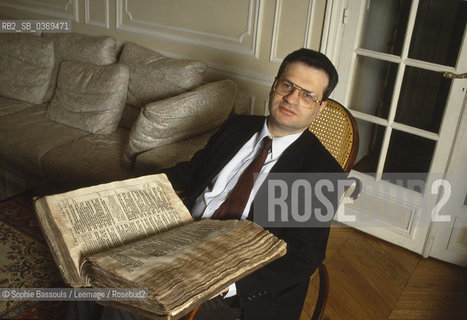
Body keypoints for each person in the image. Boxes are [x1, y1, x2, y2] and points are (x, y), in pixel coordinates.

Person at [66, 48, 343, 320]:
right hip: (181, 234)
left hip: (235, 270)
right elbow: (192, 172)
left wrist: (230, 285)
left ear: (320, 108)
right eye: (287, 85)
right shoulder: (238, 127)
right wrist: (137, 189)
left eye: (307, 95)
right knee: (89, 277)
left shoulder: (321, 170)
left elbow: (304, 255)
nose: (292, 99)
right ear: (274, 86)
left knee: (126, 308)